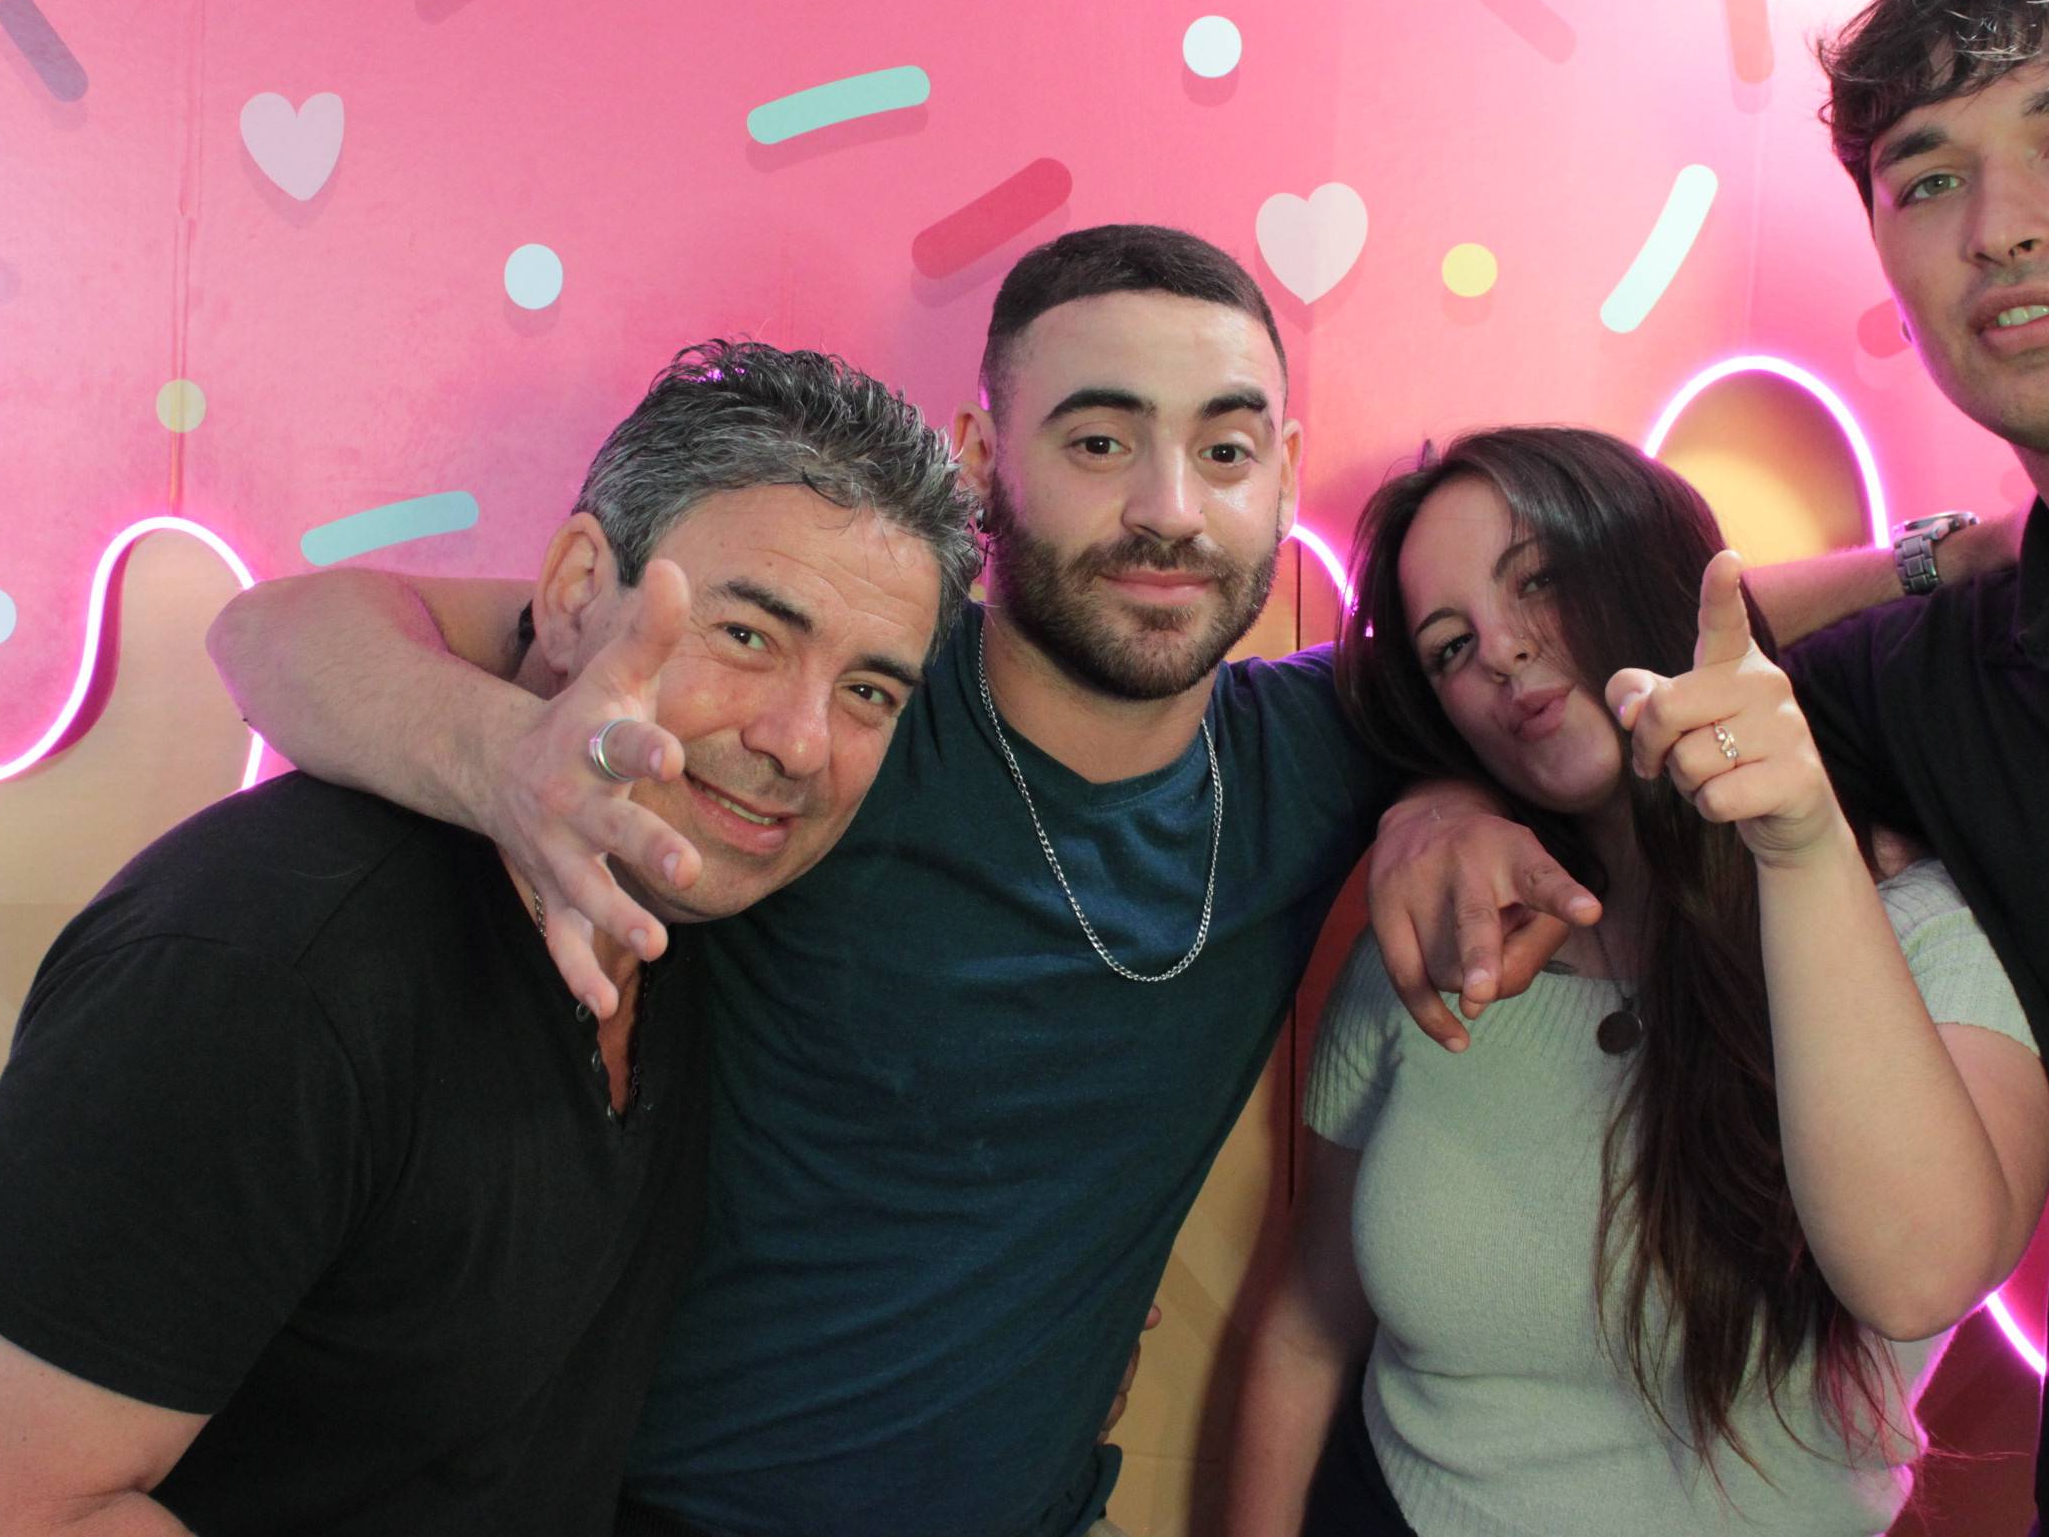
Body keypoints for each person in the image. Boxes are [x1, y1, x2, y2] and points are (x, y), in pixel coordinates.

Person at [1378, 0, 2049, 1530]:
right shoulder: (1930, 683)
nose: (2000, 225)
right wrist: (1431, 804)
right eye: (1925, 179)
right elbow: (1606, 675)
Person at [209, 226, 1407, 1537]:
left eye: (1225, 452)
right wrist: (511, 762)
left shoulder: (1321, 750)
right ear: (981, 459)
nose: (1169, 509)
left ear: (1285, 475)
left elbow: (1533, 711)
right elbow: (279, 630)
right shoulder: (837, 698)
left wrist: (1446, 813)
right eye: (1100, 442)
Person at [0, 339, 978, 1537]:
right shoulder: (269, 972)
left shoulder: (682, 913)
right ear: (576, 593)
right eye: (746, 636)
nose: (801, 740)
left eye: (869, 692)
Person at [1227, 427, 2049, 1534]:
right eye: (1450, 647)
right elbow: (1305, 1329)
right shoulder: (1443, 927)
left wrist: (1939, 563)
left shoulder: (1925, 939)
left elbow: (1922, 1275)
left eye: (1539, 580)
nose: (1503, 653)